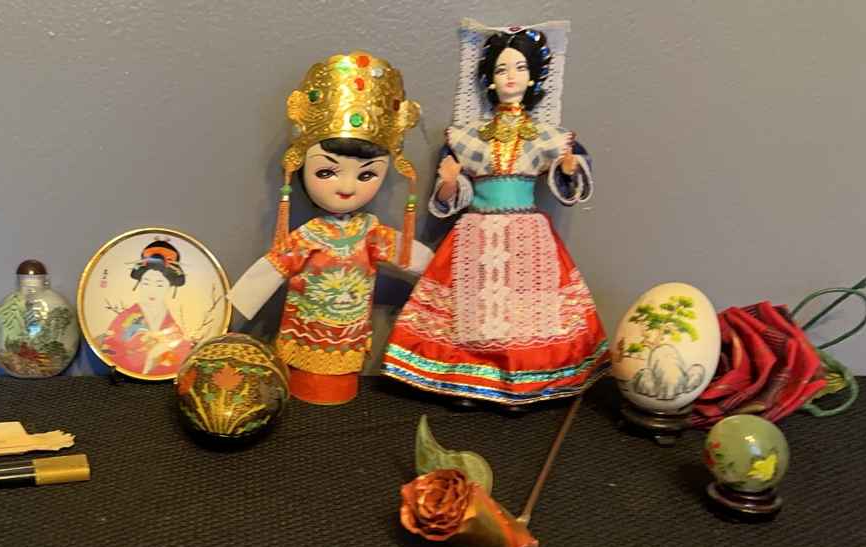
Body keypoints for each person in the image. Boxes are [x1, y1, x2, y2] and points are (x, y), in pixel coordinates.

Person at [382, 26, 606, 407]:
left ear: (533, 77)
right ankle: (466, 381)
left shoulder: (548, 136)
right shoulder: (467, 137)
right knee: (471, 309)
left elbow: (571, 181)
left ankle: (524, 383)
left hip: (527, 233)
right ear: (490, 79)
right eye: (502, 69)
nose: (511, 77)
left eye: (519, 68)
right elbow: (451, 192)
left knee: (525, 311)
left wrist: (568, 168)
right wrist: (449, 183)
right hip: (477, 229)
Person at [230, 51, 432, 405]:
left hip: (350, 336)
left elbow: (411, 256)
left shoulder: (371, 233)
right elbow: (271, 270)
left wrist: (440, 270)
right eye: (327, 172)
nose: (348, 186)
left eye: (367, 174)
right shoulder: (308, 237)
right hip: (306, 334)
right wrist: (231, 309)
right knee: (306, 388)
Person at [99, 240, 194, 377]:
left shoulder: (175, 326)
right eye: (146, 283)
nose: (151, 290)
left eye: (159, 285)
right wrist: (149, 360)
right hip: (127, 380)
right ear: (139, 284)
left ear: (170, 287)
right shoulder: (124, 320)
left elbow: (183, 358)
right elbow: (112, 353)